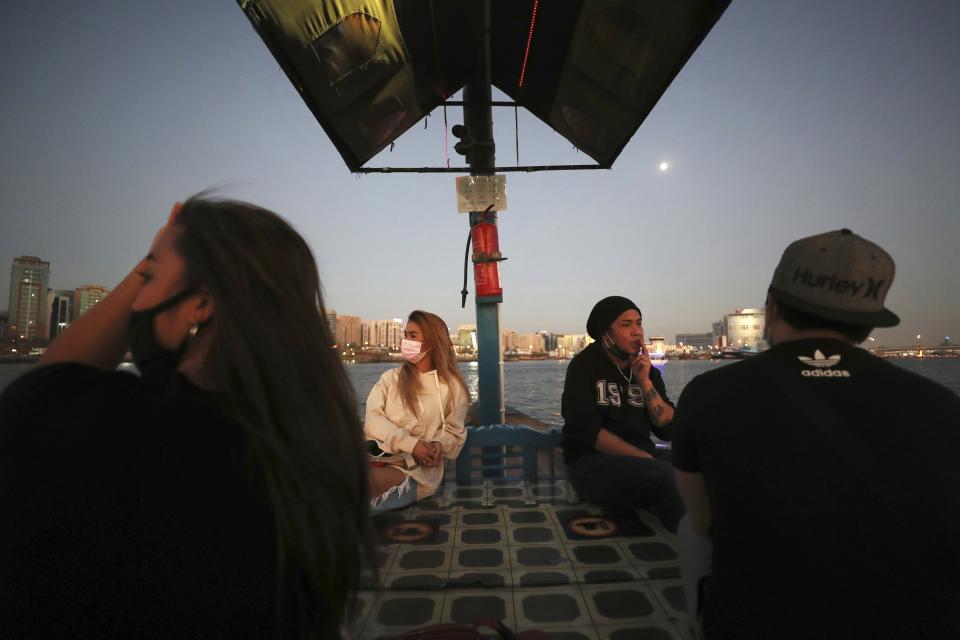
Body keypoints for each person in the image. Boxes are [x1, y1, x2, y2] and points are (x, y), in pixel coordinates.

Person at [0, 197, 374, 638]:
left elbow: (55, 378)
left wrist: (152, 255)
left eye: (151, 275)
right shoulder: (318, 437)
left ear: (201, 303)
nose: (140, 295)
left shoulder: (110, 426)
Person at [672, 229, 960, 638]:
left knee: (689, 530)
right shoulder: (942, 406)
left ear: (770, 307)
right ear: (866, 324)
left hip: (758, 624)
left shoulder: (710, 394)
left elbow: (703, 521)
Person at [561, 295, 685, 533]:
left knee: (701, 463)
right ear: (605, 334)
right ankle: (695, 546)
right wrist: (643, 458)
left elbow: (668, 429)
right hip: (590, 465)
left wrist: (645, 382)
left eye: (639, 323)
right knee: (665, 477)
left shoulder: (645, 370)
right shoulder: (584, 367)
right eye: (626, 325)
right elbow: (586, 432)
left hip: (641, 459)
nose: (637, 332)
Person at [365, 310, 469, 513]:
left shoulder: (453, 387)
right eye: (405, 335)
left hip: (416, 471)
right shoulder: (389, 378)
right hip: (377, 458)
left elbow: (455, 431)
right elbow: (373, 421)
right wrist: (412, 444)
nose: (406, 340)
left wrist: (438, 445)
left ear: (431, 342)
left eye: (413, 336)